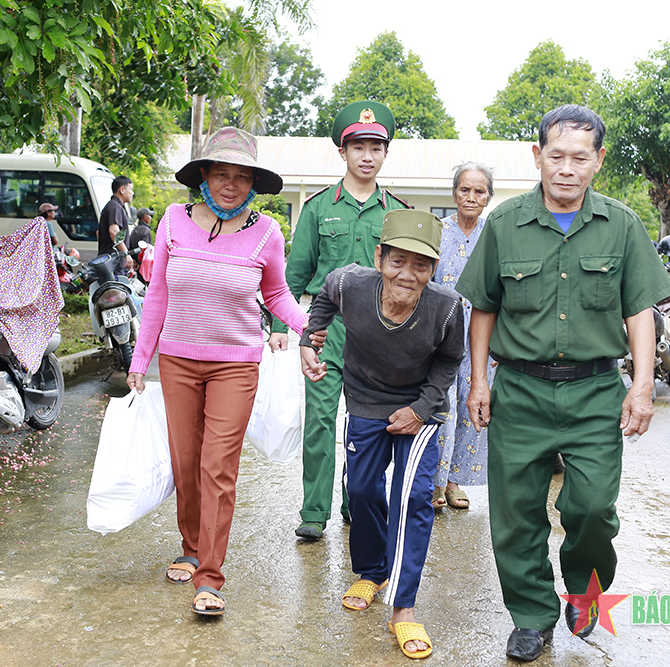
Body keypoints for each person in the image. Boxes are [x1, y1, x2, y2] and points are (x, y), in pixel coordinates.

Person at [456, 105, 670, 662]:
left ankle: (585, 592)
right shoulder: (503, 224)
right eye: (556, 156)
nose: (567, 169)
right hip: (520, 390)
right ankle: (532, 616)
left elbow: (640, 311)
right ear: (538, 157)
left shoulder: (621, 224)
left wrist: (642, 385)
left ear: (599, 161)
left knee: (592, 509)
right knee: (516, 515)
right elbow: (483, 309)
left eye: (581, 158)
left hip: (595, 392)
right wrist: (479, 382)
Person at [125, 127, 325, 617]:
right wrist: (139, 358)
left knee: (218, 466)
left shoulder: (267, 232)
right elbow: (159, 294)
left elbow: (276, 294)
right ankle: (190, 547)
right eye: (220, 174)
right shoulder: (172, 221)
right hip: (176, 360)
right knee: (185, 459)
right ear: (204, 178)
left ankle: (210, 574)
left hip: (236, 364)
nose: (230, 185)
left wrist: (307, 327)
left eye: (241, 176)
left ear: (253, 183)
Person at [299, 209, 463, 660]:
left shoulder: (446, 307)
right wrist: (310, 335)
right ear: (379, 257)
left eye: (421, 266)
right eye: (397, 262)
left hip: (421, 410)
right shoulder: (351, 284)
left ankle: (404, 607)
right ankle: (372, 571)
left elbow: (450, 362)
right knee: (363, 490)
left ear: (433, 269)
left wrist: (421, 408)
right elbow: (324, 296)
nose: (408, 275)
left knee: (412, 496)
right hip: (365, 400)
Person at [269, 100, 410, 542]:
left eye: (376, 147)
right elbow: (292, 275)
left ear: (385, 154)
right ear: (343, 152)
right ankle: (314, 511)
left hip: (380, 332)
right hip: (327, 327)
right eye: (358, 146)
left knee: (368, 422)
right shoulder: (316, 208)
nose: (367, 156)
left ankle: (358, 501)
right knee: (321, 419)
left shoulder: (397, 212)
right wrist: (280, 328)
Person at [431, 162, 497, 511]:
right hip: (442, 335)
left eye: (479, 191)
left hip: (482, 338)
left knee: (473, 409)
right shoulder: (437, 232)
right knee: (441, 407)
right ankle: (433, 482)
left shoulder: (496, 235)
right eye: (465, 190)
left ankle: (454, 483)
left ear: (488, 197)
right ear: (454, 192)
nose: (471, 197)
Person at [97, 176, 134, 258]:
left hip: (109, 260)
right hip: (114, 262)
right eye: (130, 189)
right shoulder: (115, 206)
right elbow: (114, 231)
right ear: (122, 190)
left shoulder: (112, 205)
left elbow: (98, 233)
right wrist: (126, 255)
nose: (132, 193)